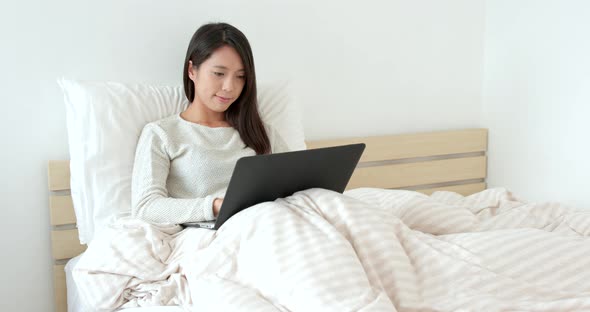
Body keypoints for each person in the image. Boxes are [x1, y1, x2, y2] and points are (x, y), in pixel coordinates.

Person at [131, 22, 289, 224]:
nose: (229, 87)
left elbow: (297, 187)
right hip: (212, 236)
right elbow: (146, 206)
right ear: (191, 70)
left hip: (270, 224)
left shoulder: (262, 132)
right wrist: (214, 206)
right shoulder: (161, 134)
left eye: (241, 77)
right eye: (219, 73)